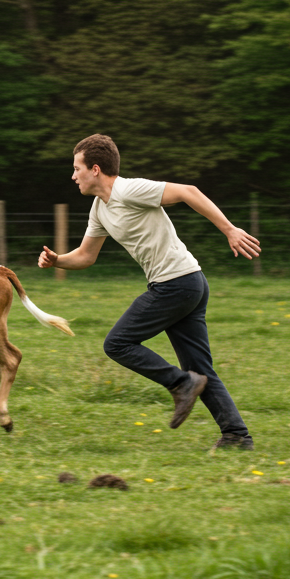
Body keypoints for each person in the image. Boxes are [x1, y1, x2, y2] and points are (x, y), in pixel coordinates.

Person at [38, 134, 261, 450]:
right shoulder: (100, 208)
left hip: (177, 284)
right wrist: (57, 260)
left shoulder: (129, 190)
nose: (73, 176)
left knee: (117, 343)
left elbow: (188, 192)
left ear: (96, 169)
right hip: (187, 282)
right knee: (200, 369)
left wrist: (229, 229)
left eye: (77, 168)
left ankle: (182, 384)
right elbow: (86, 256)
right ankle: (237, 436)